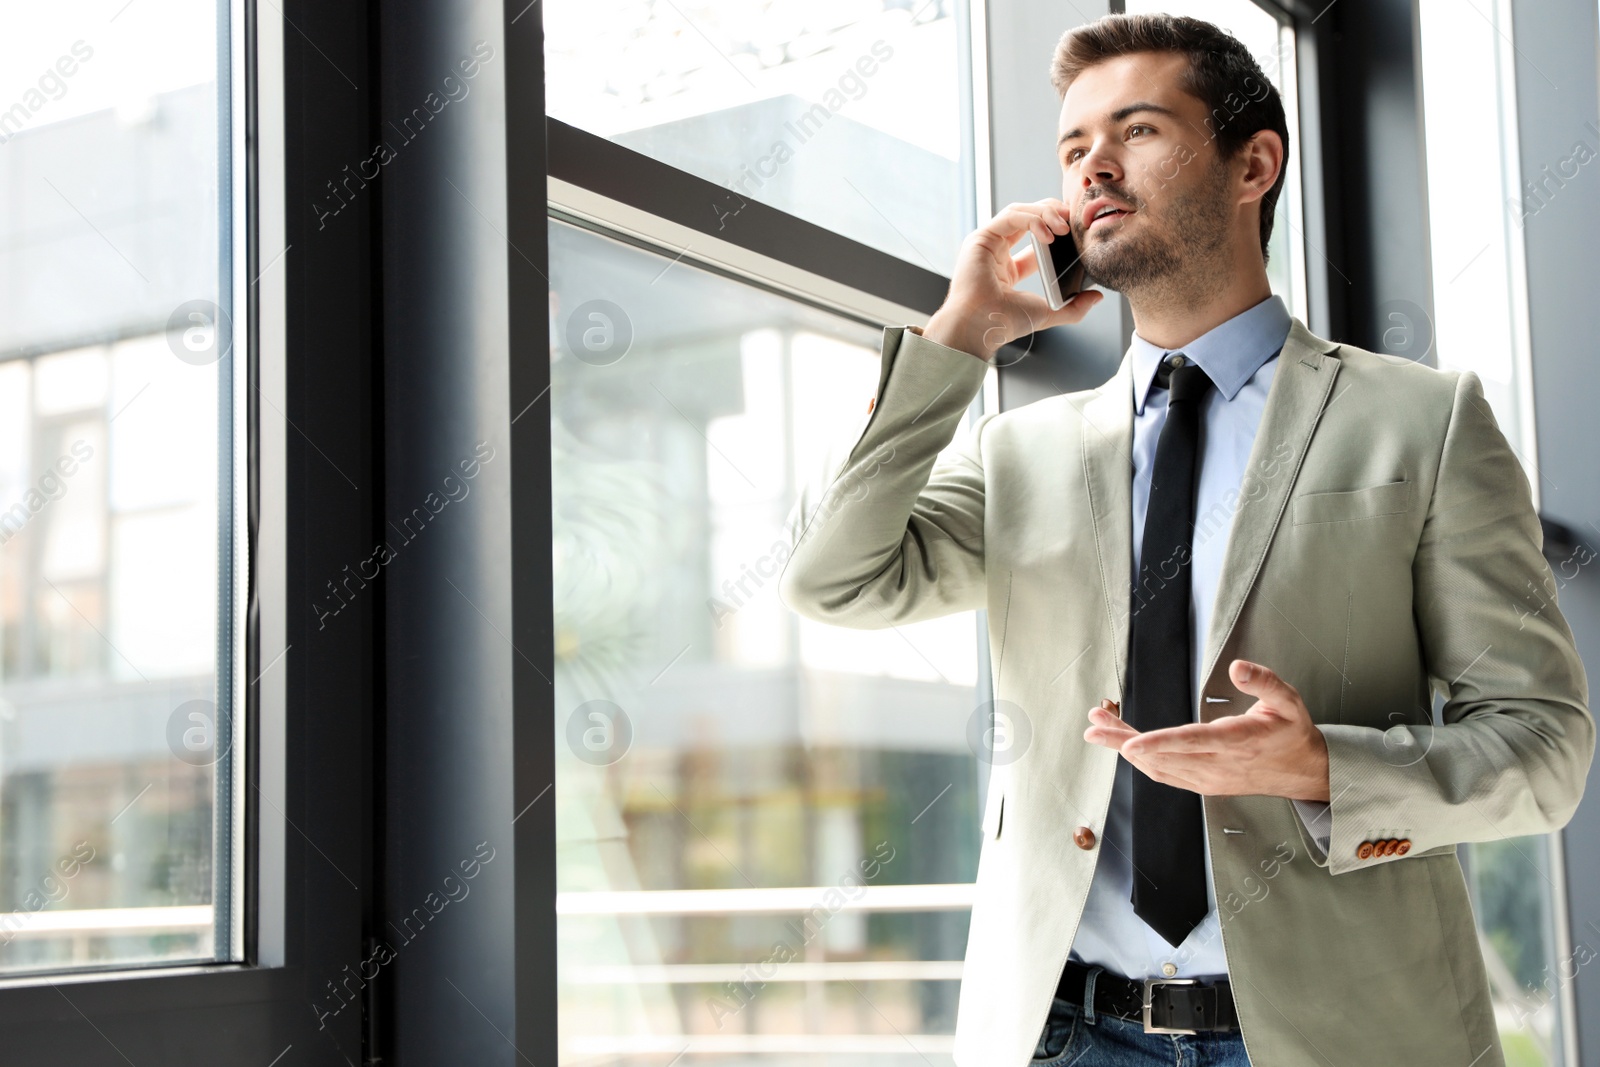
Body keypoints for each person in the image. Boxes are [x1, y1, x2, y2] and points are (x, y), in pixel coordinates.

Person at [776, 12, 1593, 1067]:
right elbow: (830, 578)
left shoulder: (1419, 421)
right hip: (1068, 1032)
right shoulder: (1022, 450)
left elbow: (1543, 748)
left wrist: (1322, 767)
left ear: (1254, 163)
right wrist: (960, 334)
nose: (1093, 168)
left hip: (1338, 1032)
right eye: (1072, 150)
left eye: (1138, 130)